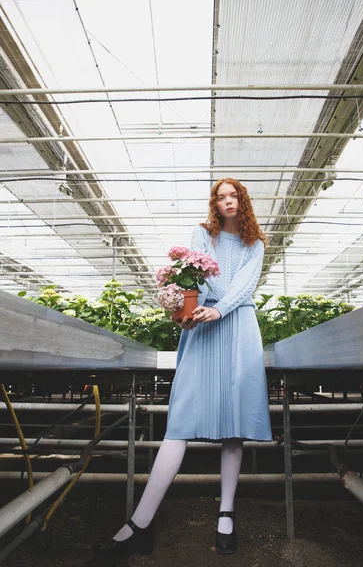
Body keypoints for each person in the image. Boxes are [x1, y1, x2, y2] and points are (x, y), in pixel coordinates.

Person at [95, 178, 272, 557]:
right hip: (201, 330)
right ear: (214, 203)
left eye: (234, 196)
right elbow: (196, 275)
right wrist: (188, 310)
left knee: (233, 426)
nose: (228, 202)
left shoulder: (254, 244)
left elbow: (245, 285)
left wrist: (219, 307)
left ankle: (226, 515)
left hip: (238, 329)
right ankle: (140, 521)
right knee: (179, 424)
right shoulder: (201, 233)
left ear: (243, 201)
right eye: (221, 197)